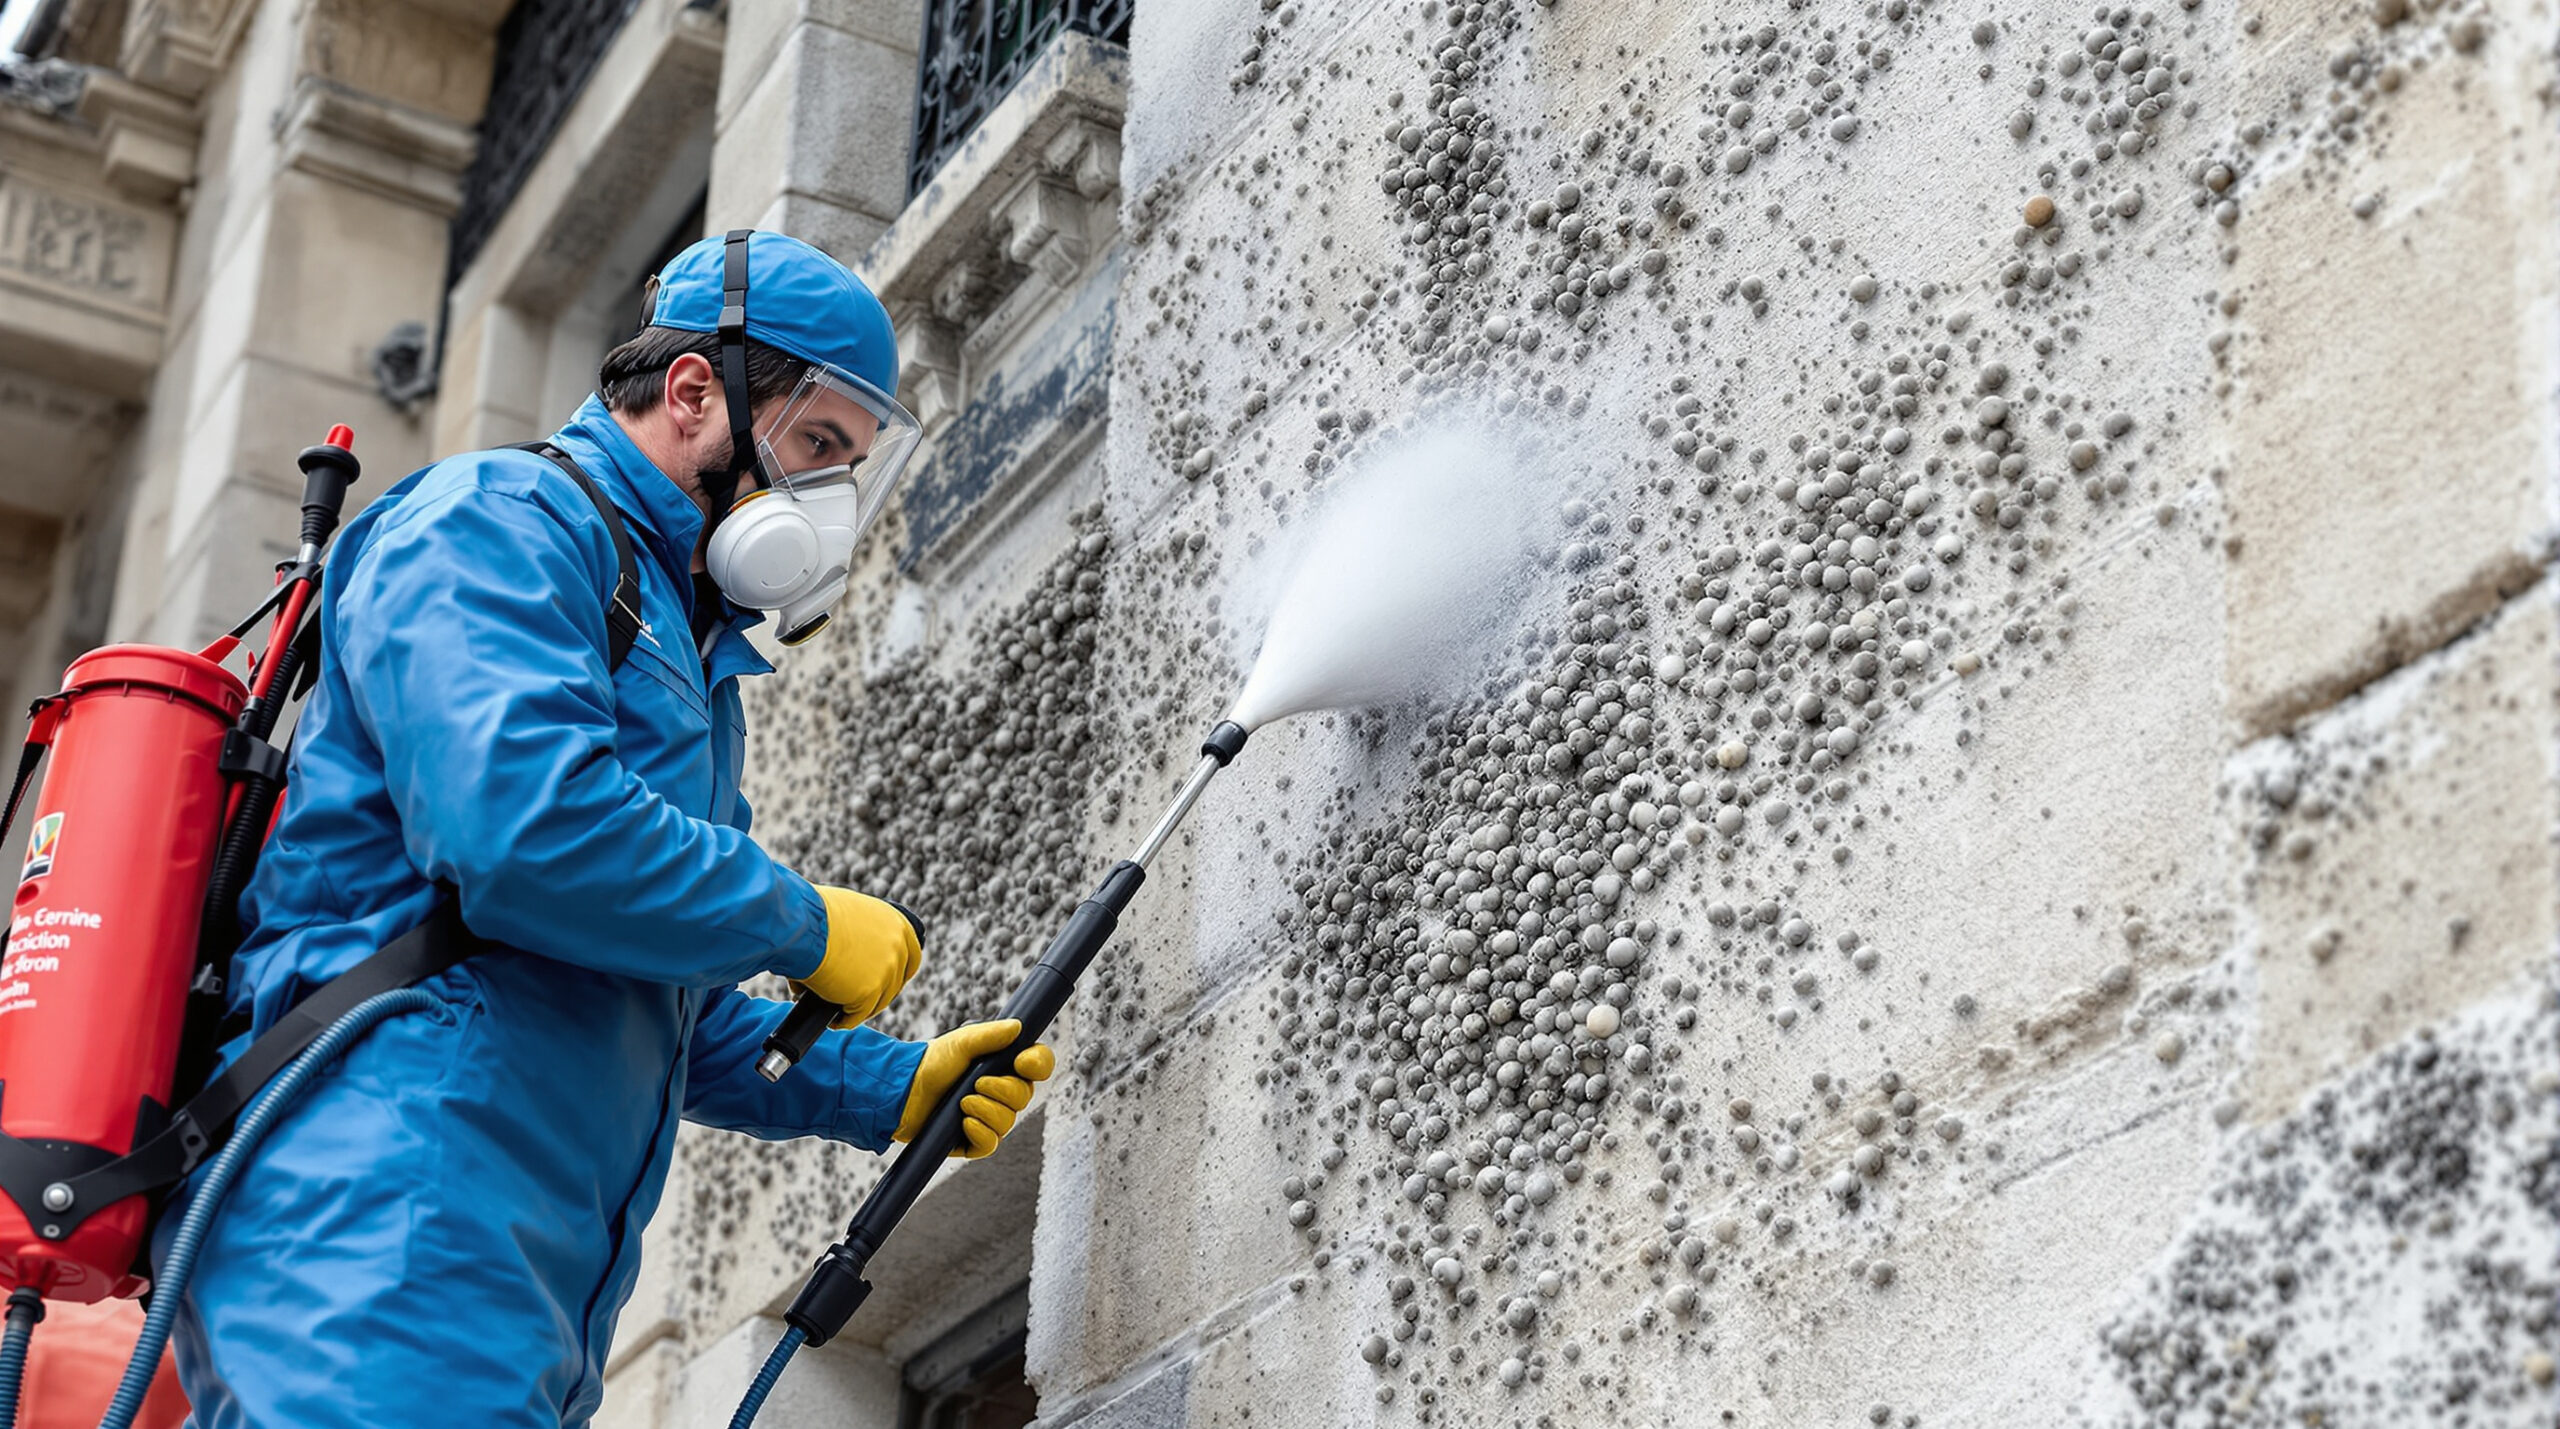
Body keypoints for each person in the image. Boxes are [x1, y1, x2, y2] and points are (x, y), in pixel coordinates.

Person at [163, 231, 1048, 1427]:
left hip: (506, 1279)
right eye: (818, 445)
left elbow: (641, 997)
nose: (829, 500)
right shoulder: (498, 520)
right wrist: (796, 921)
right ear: (694, 394)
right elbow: (522, 830)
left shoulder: (680, 637)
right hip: (382, 1221)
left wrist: (883, 1086)